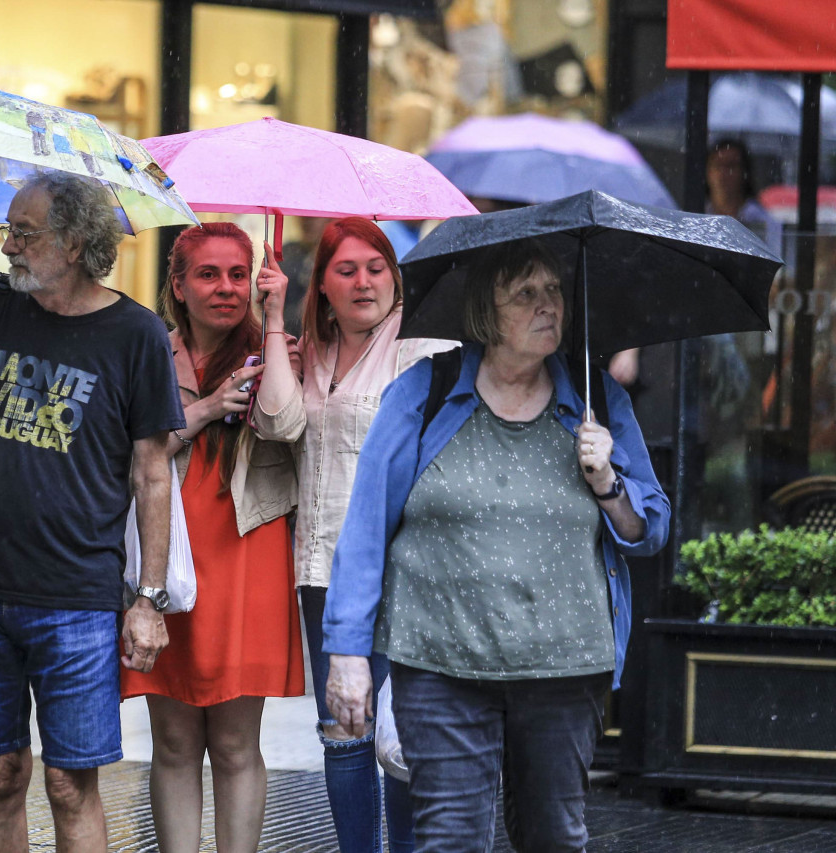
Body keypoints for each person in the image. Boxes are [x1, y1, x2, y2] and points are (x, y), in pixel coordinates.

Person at [324, 239, 670, 853]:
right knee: (450, 839)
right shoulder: (425, 394)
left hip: (565, 668)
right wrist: (348, 654)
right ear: (487, 312)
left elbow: (650, 530)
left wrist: (607, 482)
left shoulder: (594, 399)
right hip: (440, 663)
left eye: (555, 291)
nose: (548, 307)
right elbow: (365, 528)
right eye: (526, 294)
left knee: (553, 838)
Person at [0, 172, 183, 853]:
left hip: (78, 596)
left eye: (24, 234)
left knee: (70, 784)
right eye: (7, 230)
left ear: (75, 242)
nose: (7, 246)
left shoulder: (138, 334)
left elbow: (153, 474)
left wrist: (147, 599)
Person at [257, 217, 453, 853]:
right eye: (346, 269)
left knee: (395, 733)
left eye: (376, 268)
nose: (363, 281)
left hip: (400, 569)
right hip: (319, 570)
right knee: (341, 727)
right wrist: (274, 321)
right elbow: (277, 425)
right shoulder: (306, 349)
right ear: (323, 285)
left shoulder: (423, 350)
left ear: (395, 279)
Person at [119, 222, 305, 853]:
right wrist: (206, 406)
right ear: (178, 284)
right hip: (164, 558)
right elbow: (127, 455)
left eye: (237, 275)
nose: (225, 288)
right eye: (207, 274)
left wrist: (276, 320)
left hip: (245, 556)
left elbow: (283, 424)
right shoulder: (147, 352)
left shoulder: (278, 351)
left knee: (233, 742)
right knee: (172, 741)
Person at [706, 138, 783, 255]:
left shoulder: (761, 220)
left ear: (744, 172)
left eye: (730, 166)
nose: (723, 173)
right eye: (718, 165)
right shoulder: (699, 215)